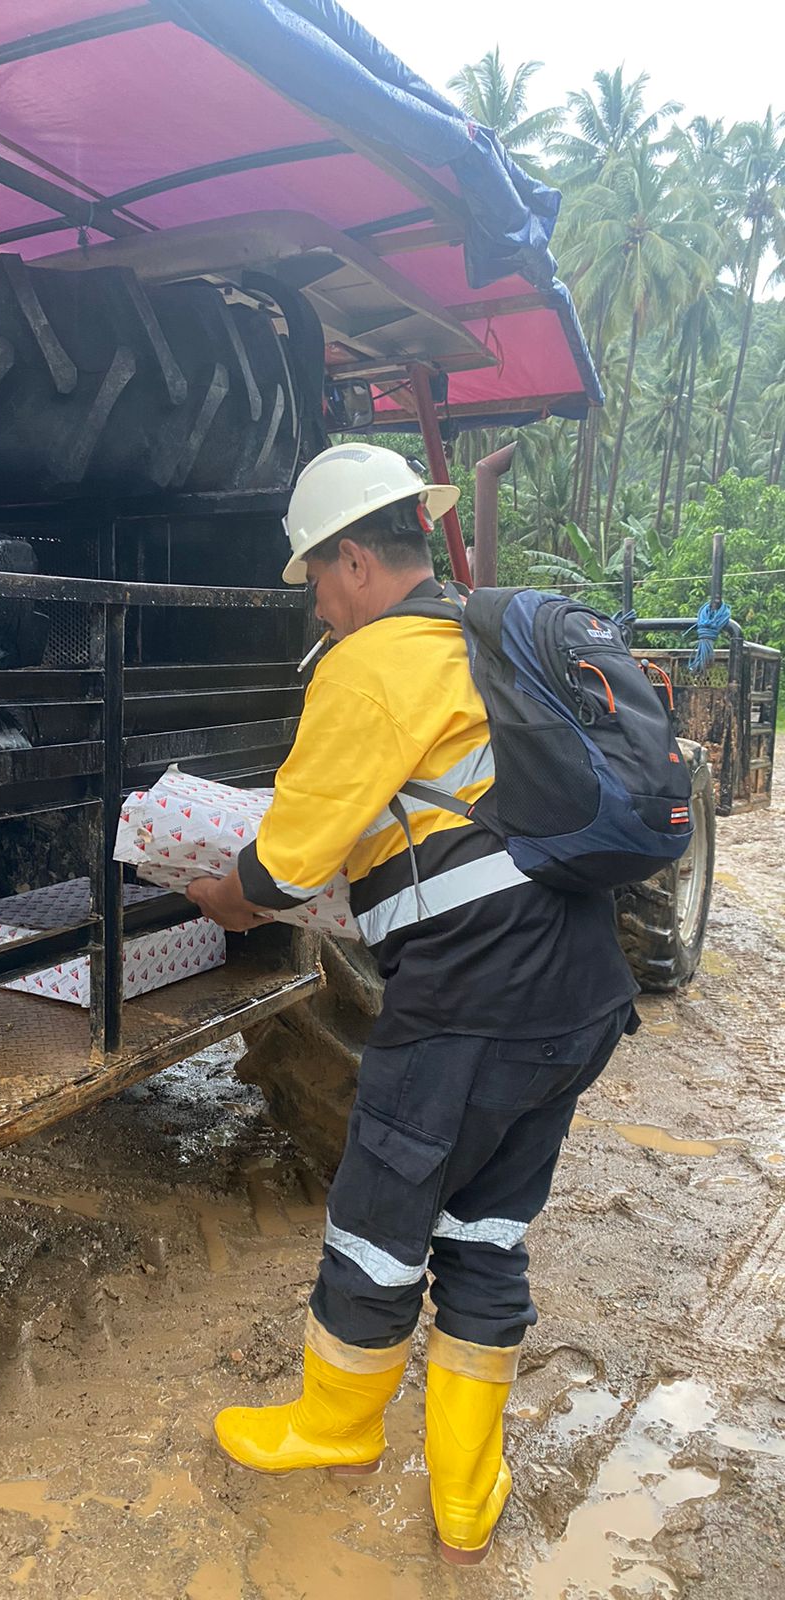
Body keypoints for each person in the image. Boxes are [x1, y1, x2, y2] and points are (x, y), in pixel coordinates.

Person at [185, 444, 638, 1565]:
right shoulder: (479, 644)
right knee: (486, 1230)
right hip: (577, 987)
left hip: (472, 998)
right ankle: (467, 1494)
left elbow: (286, 866)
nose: (319, 607)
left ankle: (335, 1428)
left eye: (317, 581)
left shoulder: (371, 664)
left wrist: (221, 896)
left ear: (352, 560)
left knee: (382, 1213)